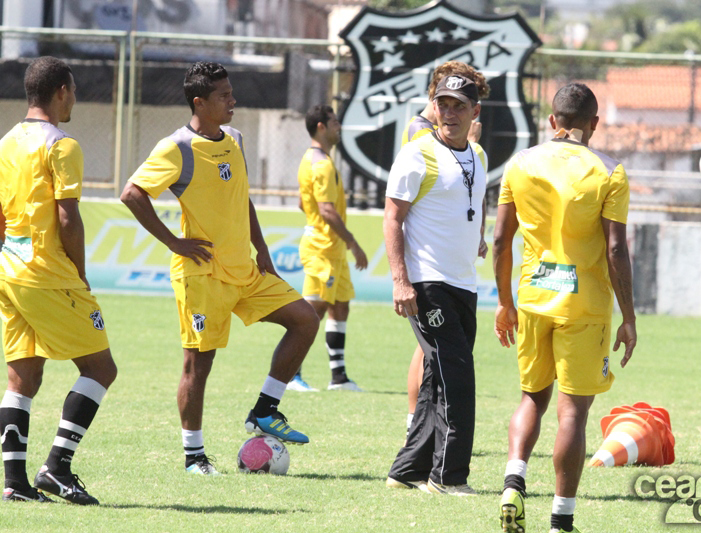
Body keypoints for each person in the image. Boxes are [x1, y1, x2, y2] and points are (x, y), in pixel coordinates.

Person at [120, 62, 319, 475]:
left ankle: (266, 408)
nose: (233, 101)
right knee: (199, 365)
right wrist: (174, 242)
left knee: (305, 320)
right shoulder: (176, 148)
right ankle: (194, 457)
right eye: (224, 95)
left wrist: (261, 249)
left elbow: (241, 196)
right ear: (200, 102)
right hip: (202, 276)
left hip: (245, 270)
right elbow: (132, 194)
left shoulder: (235, 139)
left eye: (231, 92)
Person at [493, 83, 637, 533]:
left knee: (532, 398)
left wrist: (503, 304)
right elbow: (616, 251)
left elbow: (500, 239)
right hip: (584, 306)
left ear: (552, 121)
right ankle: (561, 519)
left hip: (533, 298)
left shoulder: (519, 165)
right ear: (594, 124)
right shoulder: (609, 171)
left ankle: (513, 479)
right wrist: (629, 317)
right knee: (573, 412)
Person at [0, 56, 117, 504]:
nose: (75, 99)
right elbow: (68, 218)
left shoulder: (8, 141)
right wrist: (80, 274)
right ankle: (57, 467)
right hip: (48, 273)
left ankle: (14, 484)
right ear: (61, 91)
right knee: (100, 368)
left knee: (23, 378)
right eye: (74, 90)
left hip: (10, 269)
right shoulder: (62, 144)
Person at [384, 72, 488, 496]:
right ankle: (447, 478)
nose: (449, 112)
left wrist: (478, 235)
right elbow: (393, 217)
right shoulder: (417, 153)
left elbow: (474, 198)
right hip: (428, 282)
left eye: (459, 105)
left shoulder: (478, 154)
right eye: (442, 103)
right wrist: (400, 281)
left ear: (474, 112)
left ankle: (407, 469)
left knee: (437, 378)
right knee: (458, 374)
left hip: (465, 282)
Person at [290, 104, 368, 392]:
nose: (339, 127)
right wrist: (353, 242)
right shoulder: (321, 164)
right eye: (335, 122)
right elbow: (326, 210)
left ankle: (338, 377)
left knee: (340, 306)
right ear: (321, 127)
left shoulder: (315, 160)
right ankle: (290, 375)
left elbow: (303, 203)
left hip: (330, 249)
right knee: (312, 313)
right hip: (323, 249)